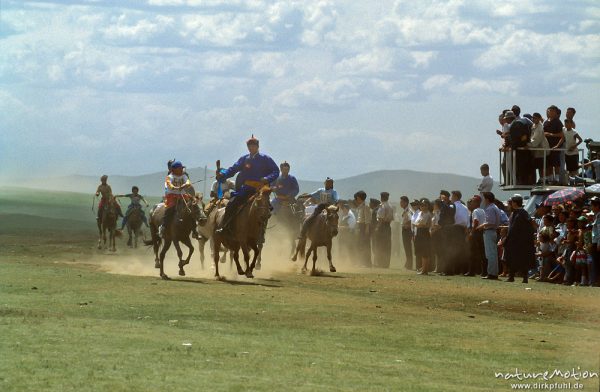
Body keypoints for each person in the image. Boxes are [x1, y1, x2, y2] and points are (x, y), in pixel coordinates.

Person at [215, 135, 280, 236]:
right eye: (249, 146)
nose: (251, 147)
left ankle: (262, 232)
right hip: (246, 189)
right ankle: (226, 227)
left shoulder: (266, 159)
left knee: (266, 209)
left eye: (253, 145)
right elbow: (233, 169)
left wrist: (267, 178)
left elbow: (276, 171)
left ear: (257, 146)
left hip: (260, 190)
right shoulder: (244, 159)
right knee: (231, 204)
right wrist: (223, 175)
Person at [504, 194, 535, 283]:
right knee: (511, 258)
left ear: (515, 203)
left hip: (521, 242)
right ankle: (511, 276)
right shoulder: (514, 213)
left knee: (523, 259)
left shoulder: (523, 213)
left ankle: (525, 278)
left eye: (512, 202)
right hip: (512, 241)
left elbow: (529, 225)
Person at [160, 161, 192, 237]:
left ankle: (194, 229)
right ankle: (163, 227)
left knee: (192, 207)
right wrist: (176, 187)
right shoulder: (169, 177)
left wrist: (184, 185)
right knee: (170, 209)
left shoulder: (184, 176)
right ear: (175, 169)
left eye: (181, 168)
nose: (182, 169)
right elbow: (170, 185)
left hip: (182, 195)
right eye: (180, 168)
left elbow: (188, 182)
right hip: (172, 195)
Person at [477, 192, 501, 280]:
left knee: (490, 254)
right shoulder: (495, 207)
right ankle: (493, 272)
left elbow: (491, 222)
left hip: (489, 231)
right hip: (492, 231)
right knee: (492, 254)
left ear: (487, 199)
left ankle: (492, 273)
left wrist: (481, 226)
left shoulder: (490, 208)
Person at [543, 105, 565, 184]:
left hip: (555, 146)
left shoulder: (558, 122)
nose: (550, 112)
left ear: (556, 112)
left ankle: (557, 179)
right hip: (546, 146)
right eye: (549, 111)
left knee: (556, 163)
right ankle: (550, 179)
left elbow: (562, 135)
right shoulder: (545, 122)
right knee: (548, 164)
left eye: (552, 111)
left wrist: (551, 134)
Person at [527, 112, 550, 183]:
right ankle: (541, 178)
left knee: (541, 165)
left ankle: (543, 179)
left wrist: (528, 145)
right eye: (533, 118)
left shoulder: (540, 128)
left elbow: (536, 139)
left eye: (535, 118)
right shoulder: (534, 126)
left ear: (539, 118)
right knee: (538, 165)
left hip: (541, 149)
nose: (534, 119)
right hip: (537, 150)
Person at [466, 195, 486, 276]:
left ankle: (471, 271)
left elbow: (476, 221)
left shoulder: (475, 211)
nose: (472, 203)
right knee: (482, 253)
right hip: (481, 233)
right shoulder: (483, 211)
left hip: (476, 233)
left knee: (472, 252)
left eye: (473, 201)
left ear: (477, 202)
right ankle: (484, 271)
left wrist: (472, 232)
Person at [438, 190, 456, 275]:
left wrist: (444, 203)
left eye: (442, 196)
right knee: (444, 249)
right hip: (444, 228)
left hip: (449, 228)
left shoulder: (451, 204)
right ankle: (445, 269)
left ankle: (449, 270)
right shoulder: (443, 205)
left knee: (448, 249)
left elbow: (451, 212)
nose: (440, 198)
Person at [374, 192, 394, 268]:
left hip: (382, 227)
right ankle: (386, 263)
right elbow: (391, 218)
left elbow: (380, 219)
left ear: (381, 198)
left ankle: (380, 263)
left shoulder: (382, 206)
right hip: (388, 226)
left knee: (380, 245)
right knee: (387, 245)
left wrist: (377, 227)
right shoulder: (390, 206)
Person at [414, 198, 433, 275]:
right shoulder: (420, 213)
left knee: (425, 252)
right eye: (421, 205)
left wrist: (416, 224)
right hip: (419, 232)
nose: (423, 207)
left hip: (424, 233)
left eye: (424, 205)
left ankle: (425, 270)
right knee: (421, 251)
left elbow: (422, 224)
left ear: (427, 206)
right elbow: (416, 223)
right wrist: (416, 224)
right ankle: (424, 268)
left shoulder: (427, 214)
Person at [353, 190, 372, 267]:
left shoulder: (366, 206)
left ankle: (367, 263)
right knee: (360, 245)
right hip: (360, 226)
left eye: (356, 198)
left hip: (364, 227)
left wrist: (366, 229)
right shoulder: (360, 206)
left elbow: (367, 219)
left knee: (365, 245)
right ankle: (361, 262)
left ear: (359, 198)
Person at [399, 196, 414, 270]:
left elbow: (411, 220)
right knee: (406, 248)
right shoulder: (405, 210)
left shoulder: (408, 210)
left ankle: (409, 265)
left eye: (401, 202)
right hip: (405, 230)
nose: (400, 203)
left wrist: (406, 226)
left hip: (407, 231)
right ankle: (408, 264)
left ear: (405, 202)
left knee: (408, 248)